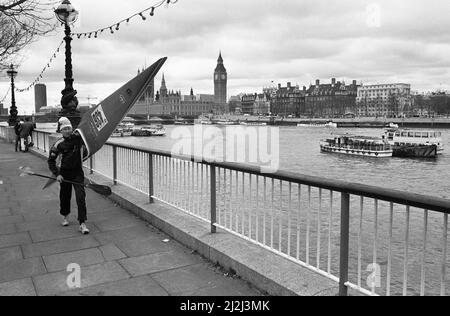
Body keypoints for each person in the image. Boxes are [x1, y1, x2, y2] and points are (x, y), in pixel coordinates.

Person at [48, 117, 90, 235]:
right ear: (61, 131)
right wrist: (57, 174)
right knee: (65, 196)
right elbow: (51, 161)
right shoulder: (58, 144)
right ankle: (65, 216)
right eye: (65, 129)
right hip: (64, 174)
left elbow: (89, 138)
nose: (67, 131)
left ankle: (82, 223)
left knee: (81, 197)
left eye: (69, 128)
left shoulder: (78, 139)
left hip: (77, 173)